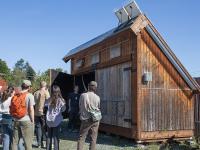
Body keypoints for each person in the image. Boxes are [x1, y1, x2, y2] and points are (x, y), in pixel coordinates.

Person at [10, 80, 35, 150]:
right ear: (29, 87)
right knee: (27, 142)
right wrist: (33, 121)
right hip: (26, 120)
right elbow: (31, 109)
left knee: (14, 142)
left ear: (22, 86)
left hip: (16, 120)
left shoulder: (16, 95)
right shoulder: (30, 95)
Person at [77, 81, 101, 150]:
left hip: (86, 119)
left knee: (81, 138)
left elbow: (80, 106)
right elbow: (98, 108)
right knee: (93, 138)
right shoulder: (98, 97)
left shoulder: (83, 95)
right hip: (95, 120)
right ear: (95, 88)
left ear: (89, 86)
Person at [46, 85, 66, 150]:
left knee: (49, 137)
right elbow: (63, 110)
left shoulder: (48, 99)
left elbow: (45, 106)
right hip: (56, 121)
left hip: (49, 121)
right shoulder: (61, 100)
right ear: (59, 91)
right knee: (56, 137)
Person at [34, 81, 50, 148]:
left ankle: (39, 143)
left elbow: (34, 103)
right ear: (45, 86)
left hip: (36, 112)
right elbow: (49, 102)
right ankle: (47, 143)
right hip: (44, 113)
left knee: (38, 128)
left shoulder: (35, 92)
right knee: (45, 128)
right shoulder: (46, 92)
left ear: (40, 85)